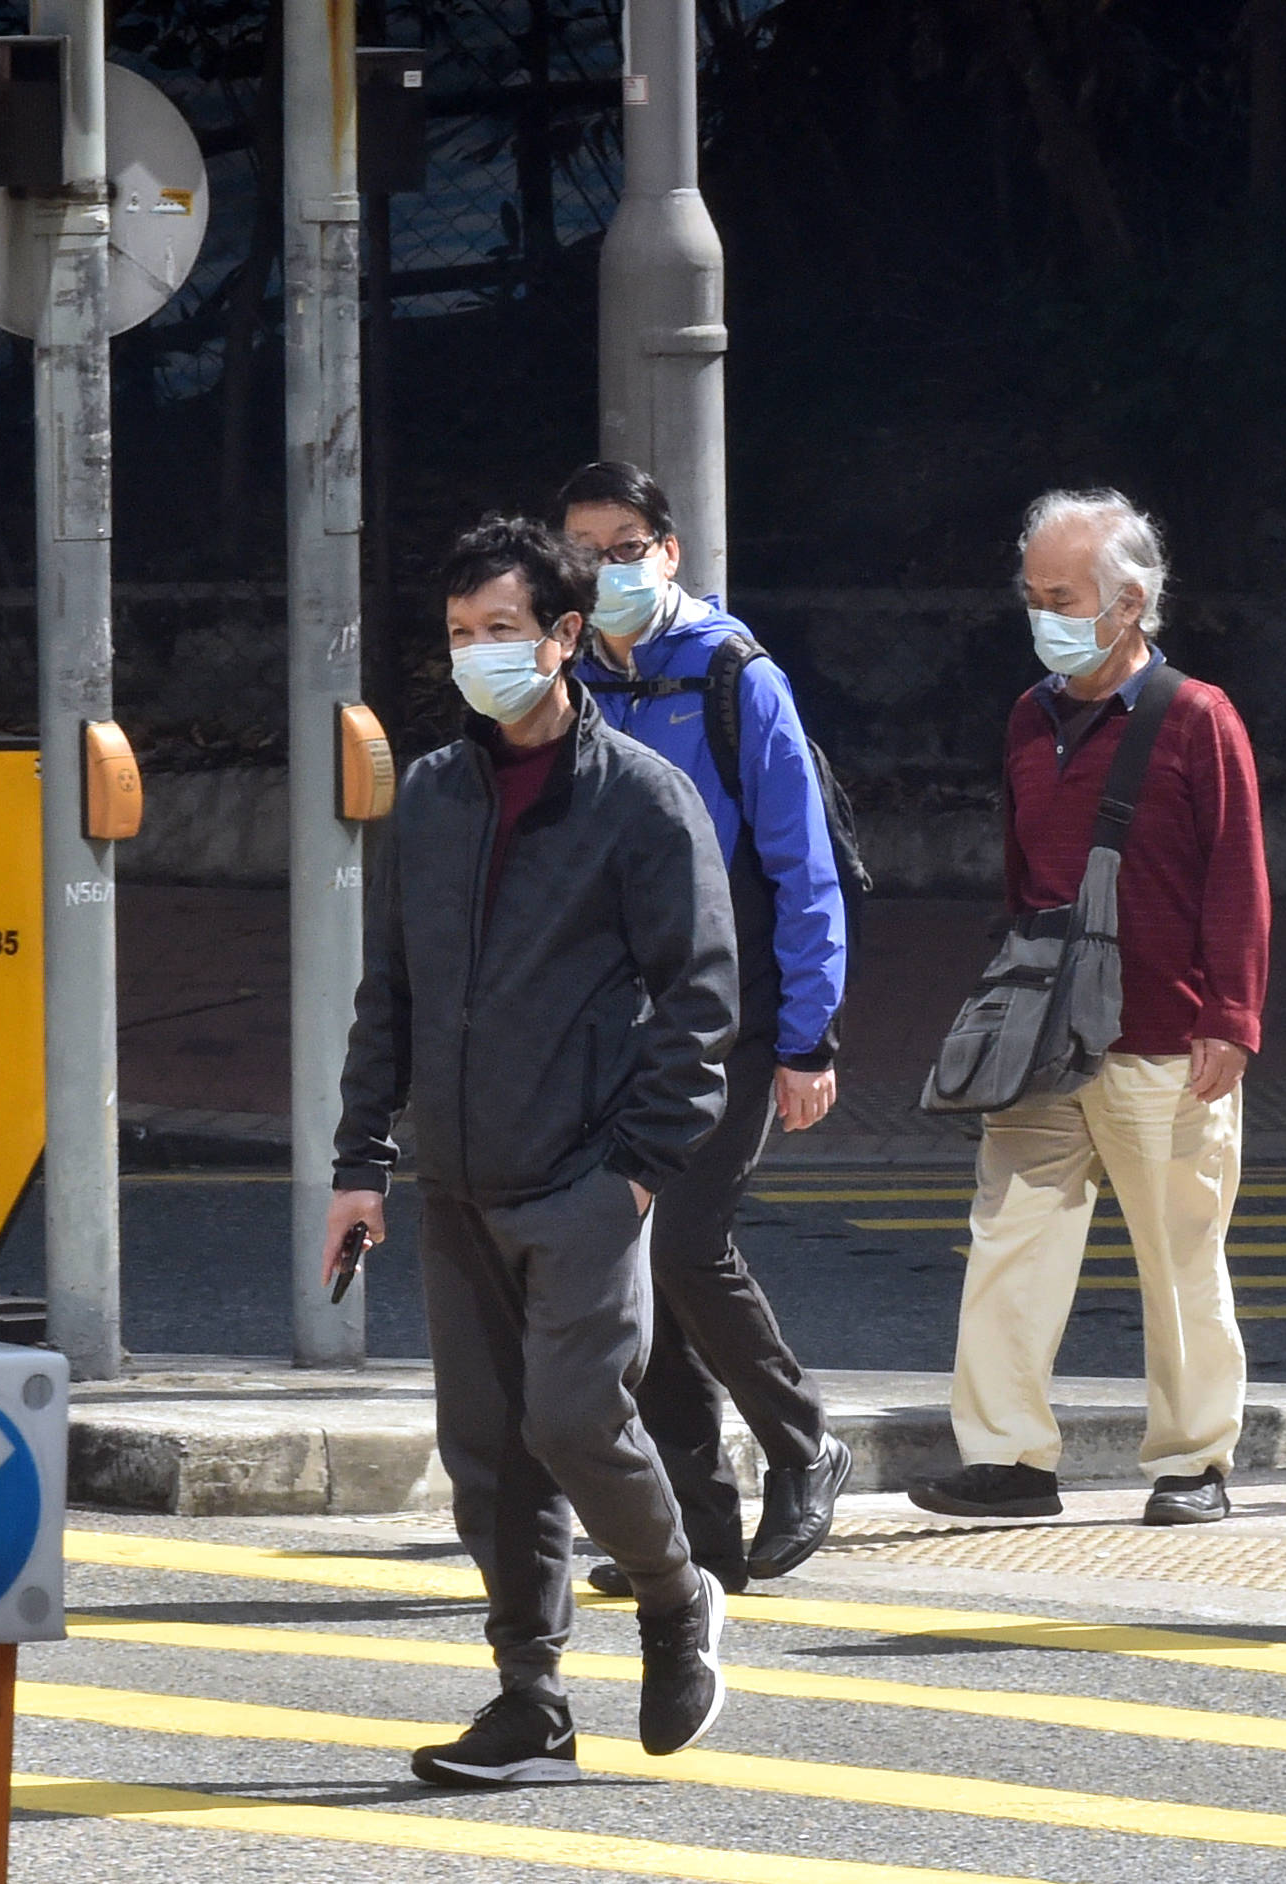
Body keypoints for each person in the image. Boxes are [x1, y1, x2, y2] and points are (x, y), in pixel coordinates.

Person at [324, 514, 735, 1786]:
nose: (477, 655)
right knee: (485, 1454)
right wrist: (359, 1165)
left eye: (501, 630)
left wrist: (636, 1166)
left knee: (571, 1418)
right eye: (458, 635)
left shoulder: (642, 804)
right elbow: (384, 989)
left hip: (583, 1179)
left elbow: (702, 1001)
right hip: (454, 1178)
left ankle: (672, 1600)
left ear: (564, 637)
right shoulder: (435, 797)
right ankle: (530, 1698)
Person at [912, 489, 1271, 1528]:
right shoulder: (1029, 716)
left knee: (1178, 1252)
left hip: (1167, 1034)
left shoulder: (1198, 717)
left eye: (1062, 596)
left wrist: (1230, 1019)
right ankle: (1008, 1462)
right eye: (1033, 596)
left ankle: (1194, 1461)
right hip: (1041, 1035)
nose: (1042, 615)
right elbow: (1022, 880)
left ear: (1131, 601)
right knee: (1010, 1238)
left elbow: (1236, 880)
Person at [556, 461, 855, 1597]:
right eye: (584, 547)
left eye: (626, 543)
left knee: (684, 1241)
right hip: (617, 1023)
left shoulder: (733, 678)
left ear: (669, 551)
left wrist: (808, 1035)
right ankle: (692, 1529)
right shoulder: (569, 674)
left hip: (729, 1013)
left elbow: (801, 864)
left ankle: (800, 1442)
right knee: (638, 1266)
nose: (607, 566)